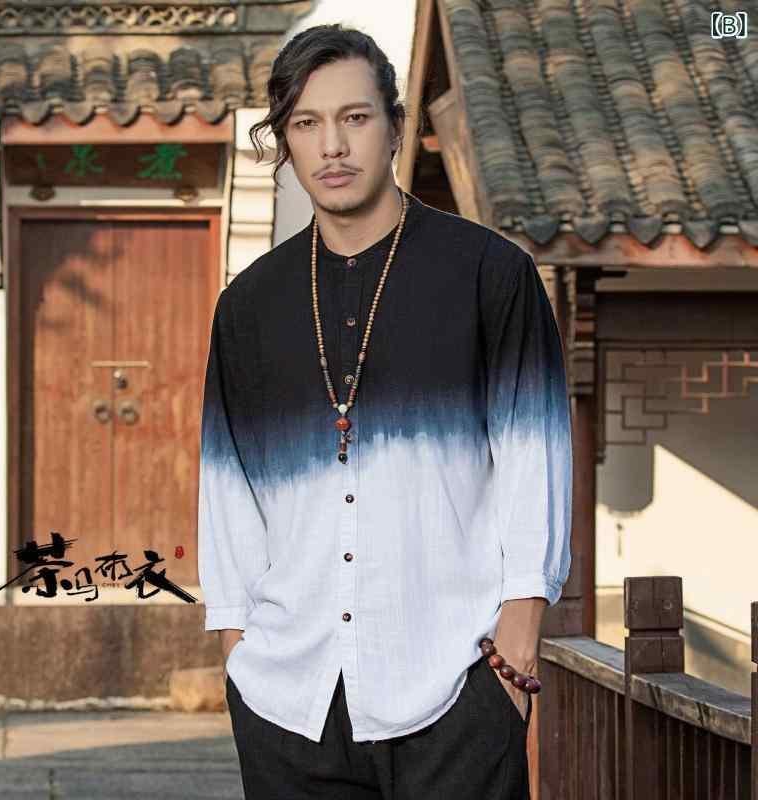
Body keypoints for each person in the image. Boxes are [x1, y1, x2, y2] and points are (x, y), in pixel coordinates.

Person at [197, 22, 572, 800]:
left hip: (454, 688)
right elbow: (228, 492)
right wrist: (239, 651)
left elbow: (533, 458)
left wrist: (516, 649)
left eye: (355, 117)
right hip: (289, 702)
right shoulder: (248, 307)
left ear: (395, 127)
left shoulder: (490, 275)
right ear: (286, 140)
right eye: (307, 123)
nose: (332, 146)